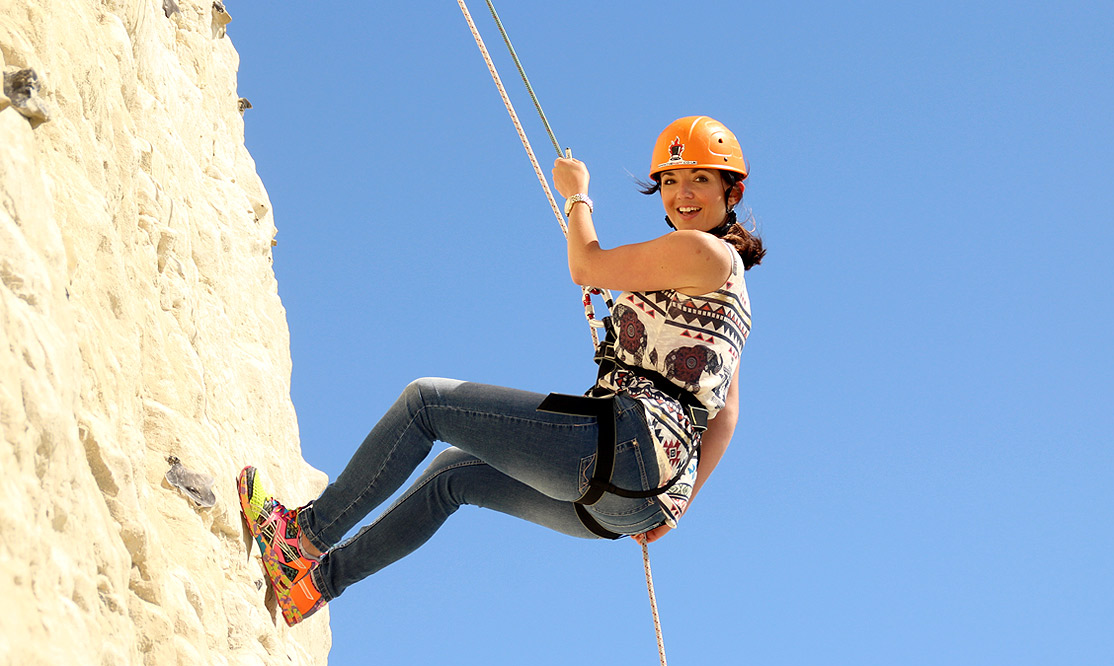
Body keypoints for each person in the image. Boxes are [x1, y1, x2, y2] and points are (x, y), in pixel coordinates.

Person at [240, 116, 765, 625]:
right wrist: (677, 508)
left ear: (731, 193)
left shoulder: (698, 249)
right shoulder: (735, 294)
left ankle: (302, 538)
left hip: (623, 445)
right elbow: (725, 415)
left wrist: (577, 194)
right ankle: (314, 585)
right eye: (671, 181)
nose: (683, 193)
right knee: (453, 477)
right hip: (642, 499)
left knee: (426, 403)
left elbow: (586, 264)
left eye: (700, 178)